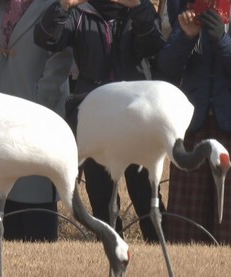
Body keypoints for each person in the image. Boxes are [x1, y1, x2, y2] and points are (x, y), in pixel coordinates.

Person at [34, 0, 167, 243]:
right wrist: (62, 7)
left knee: (146, 195)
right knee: (101, 199)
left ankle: (160, 252)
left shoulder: (138, 9)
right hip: (95, 117)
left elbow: (154, 44)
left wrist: (137, 7)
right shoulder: (82, 11)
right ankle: (112, 255)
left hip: (135, 118)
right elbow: (46, 38)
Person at [156, 0, 231, 245]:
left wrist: (222, 38)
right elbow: (165, 67)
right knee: (186, 221)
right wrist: (186, 37)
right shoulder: (190, 14)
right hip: (194, 128)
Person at [0, 0, 73, 242]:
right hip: (3, 111)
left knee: (36, 195)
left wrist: (40, 101)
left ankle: (41, 264)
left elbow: (60, 60)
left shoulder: (56, 5)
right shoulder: (5, 6)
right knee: (8, 192)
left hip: (37, 113)